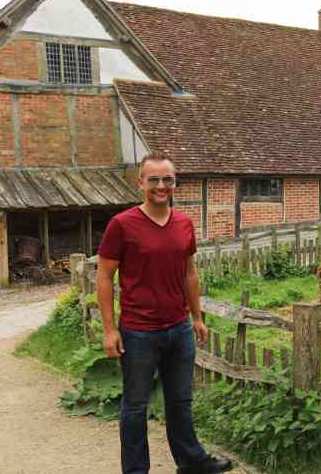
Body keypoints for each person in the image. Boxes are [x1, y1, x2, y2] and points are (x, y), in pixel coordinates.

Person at [96, 152, 232, 474]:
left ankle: (191, 462)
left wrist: (196, 317)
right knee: (135, 406)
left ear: (175, 183)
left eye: (167, 179)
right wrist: (110, 330)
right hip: (138, 332)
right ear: (140, 182)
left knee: (180, 401)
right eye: (154, 179)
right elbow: (104, 277)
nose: (161, 186)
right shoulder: (122, 224)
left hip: (179, 328)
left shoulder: (184, 223)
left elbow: (189, 272)